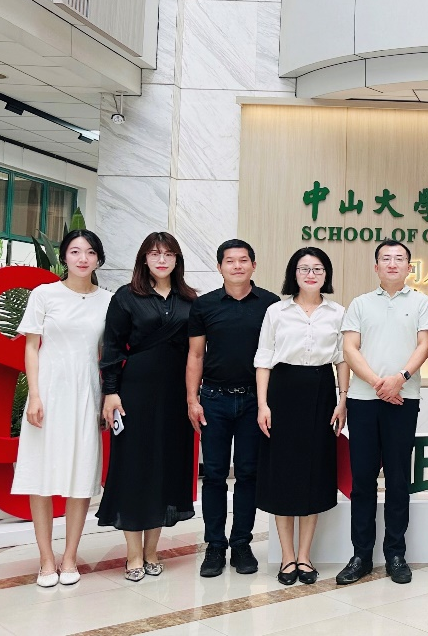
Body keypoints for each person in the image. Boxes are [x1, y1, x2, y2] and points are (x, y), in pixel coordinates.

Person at [13, 230, 113, 588]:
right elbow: (31, 347)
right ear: (64, 257)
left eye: (90, 252)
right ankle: (45, 559)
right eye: (75, 251)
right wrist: (35, 395)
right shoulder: (44, 294)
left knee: (81, 475)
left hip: (86, 394)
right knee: (40, 475)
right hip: (48, 394)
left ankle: (70, 557)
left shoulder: (108, 300)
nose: (82, 258)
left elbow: (107, 353)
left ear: (98, 259)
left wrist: (107, 396)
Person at [99, 232, 198, 582]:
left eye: (168, 254)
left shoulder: (190, 300)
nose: (161, 260)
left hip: (175, 394)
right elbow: (112, 347)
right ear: (144, 258)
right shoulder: (126, 297)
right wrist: (111, 392)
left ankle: (152, 551)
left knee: (165, 467)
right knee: (135, 468)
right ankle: (133, 555)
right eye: (155, 254)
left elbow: (198, 351)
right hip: (135, 392)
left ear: (177, 260)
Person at [334, 240, 428, 586]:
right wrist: (379, 383)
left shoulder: (421, 302)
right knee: (362, 480)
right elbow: (350, 348)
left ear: (409, 267)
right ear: (376, 267)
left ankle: (395, 554)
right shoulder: (360, 304)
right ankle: (361, 555)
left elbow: (424, 344)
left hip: (404, 400)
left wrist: (400, 379)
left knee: (397, 479)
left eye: (399, 259)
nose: (392, 263)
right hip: (363, 400)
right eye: (386, 259)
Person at [186, 240, 280, 578]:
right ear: (219, 267)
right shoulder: (204, 305)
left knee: (248, 473)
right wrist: (192, 399)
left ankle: (241, 542)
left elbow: (275, 355)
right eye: (230, 261)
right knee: (213, 474)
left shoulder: (271, 304)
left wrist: (269, 403)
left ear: (254, 265)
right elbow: (196, 354)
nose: (237, 266)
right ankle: (214, 545)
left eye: (243, 260)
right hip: (214, 399)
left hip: (254, 400)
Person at [255, 247, 348, 586]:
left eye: (318, 269)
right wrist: (263, 405)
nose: (311, 274)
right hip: (282, 392)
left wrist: (342, 399)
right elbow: (264, 358)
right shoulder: (276, 311)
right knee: (283, 474)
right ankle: (287, 557)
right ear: (293, 274)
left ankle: (305, 556)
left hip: (322, 392)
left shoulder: (338, 313)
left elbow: (342, 358)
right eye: (304, 268)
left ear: (326, 275)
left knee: (315, 474)